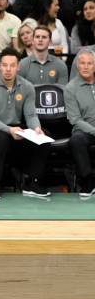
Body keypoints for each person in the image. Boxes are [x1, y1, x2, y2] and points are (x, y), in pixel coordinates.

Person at [0, 47, 51, 199]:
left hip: (17, 127)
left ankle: (32, 183)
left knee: (44, 138)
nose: (8, 69)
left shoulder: (27, 87)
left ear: (18, 67)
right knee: (1, 138)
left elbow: (30, 114)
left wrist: (37, 128)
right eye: (4, 65)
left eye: (12, 65)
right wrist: (9, 130)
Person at [64, 50, 95, 197]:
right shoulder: (70, 88)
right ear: (77, 65)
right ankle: (88, 182)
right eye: (83, 63)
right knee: (76, 140)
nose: (86, 66)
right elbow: (75, 119)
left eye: (90, 63)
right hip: (84, 131)